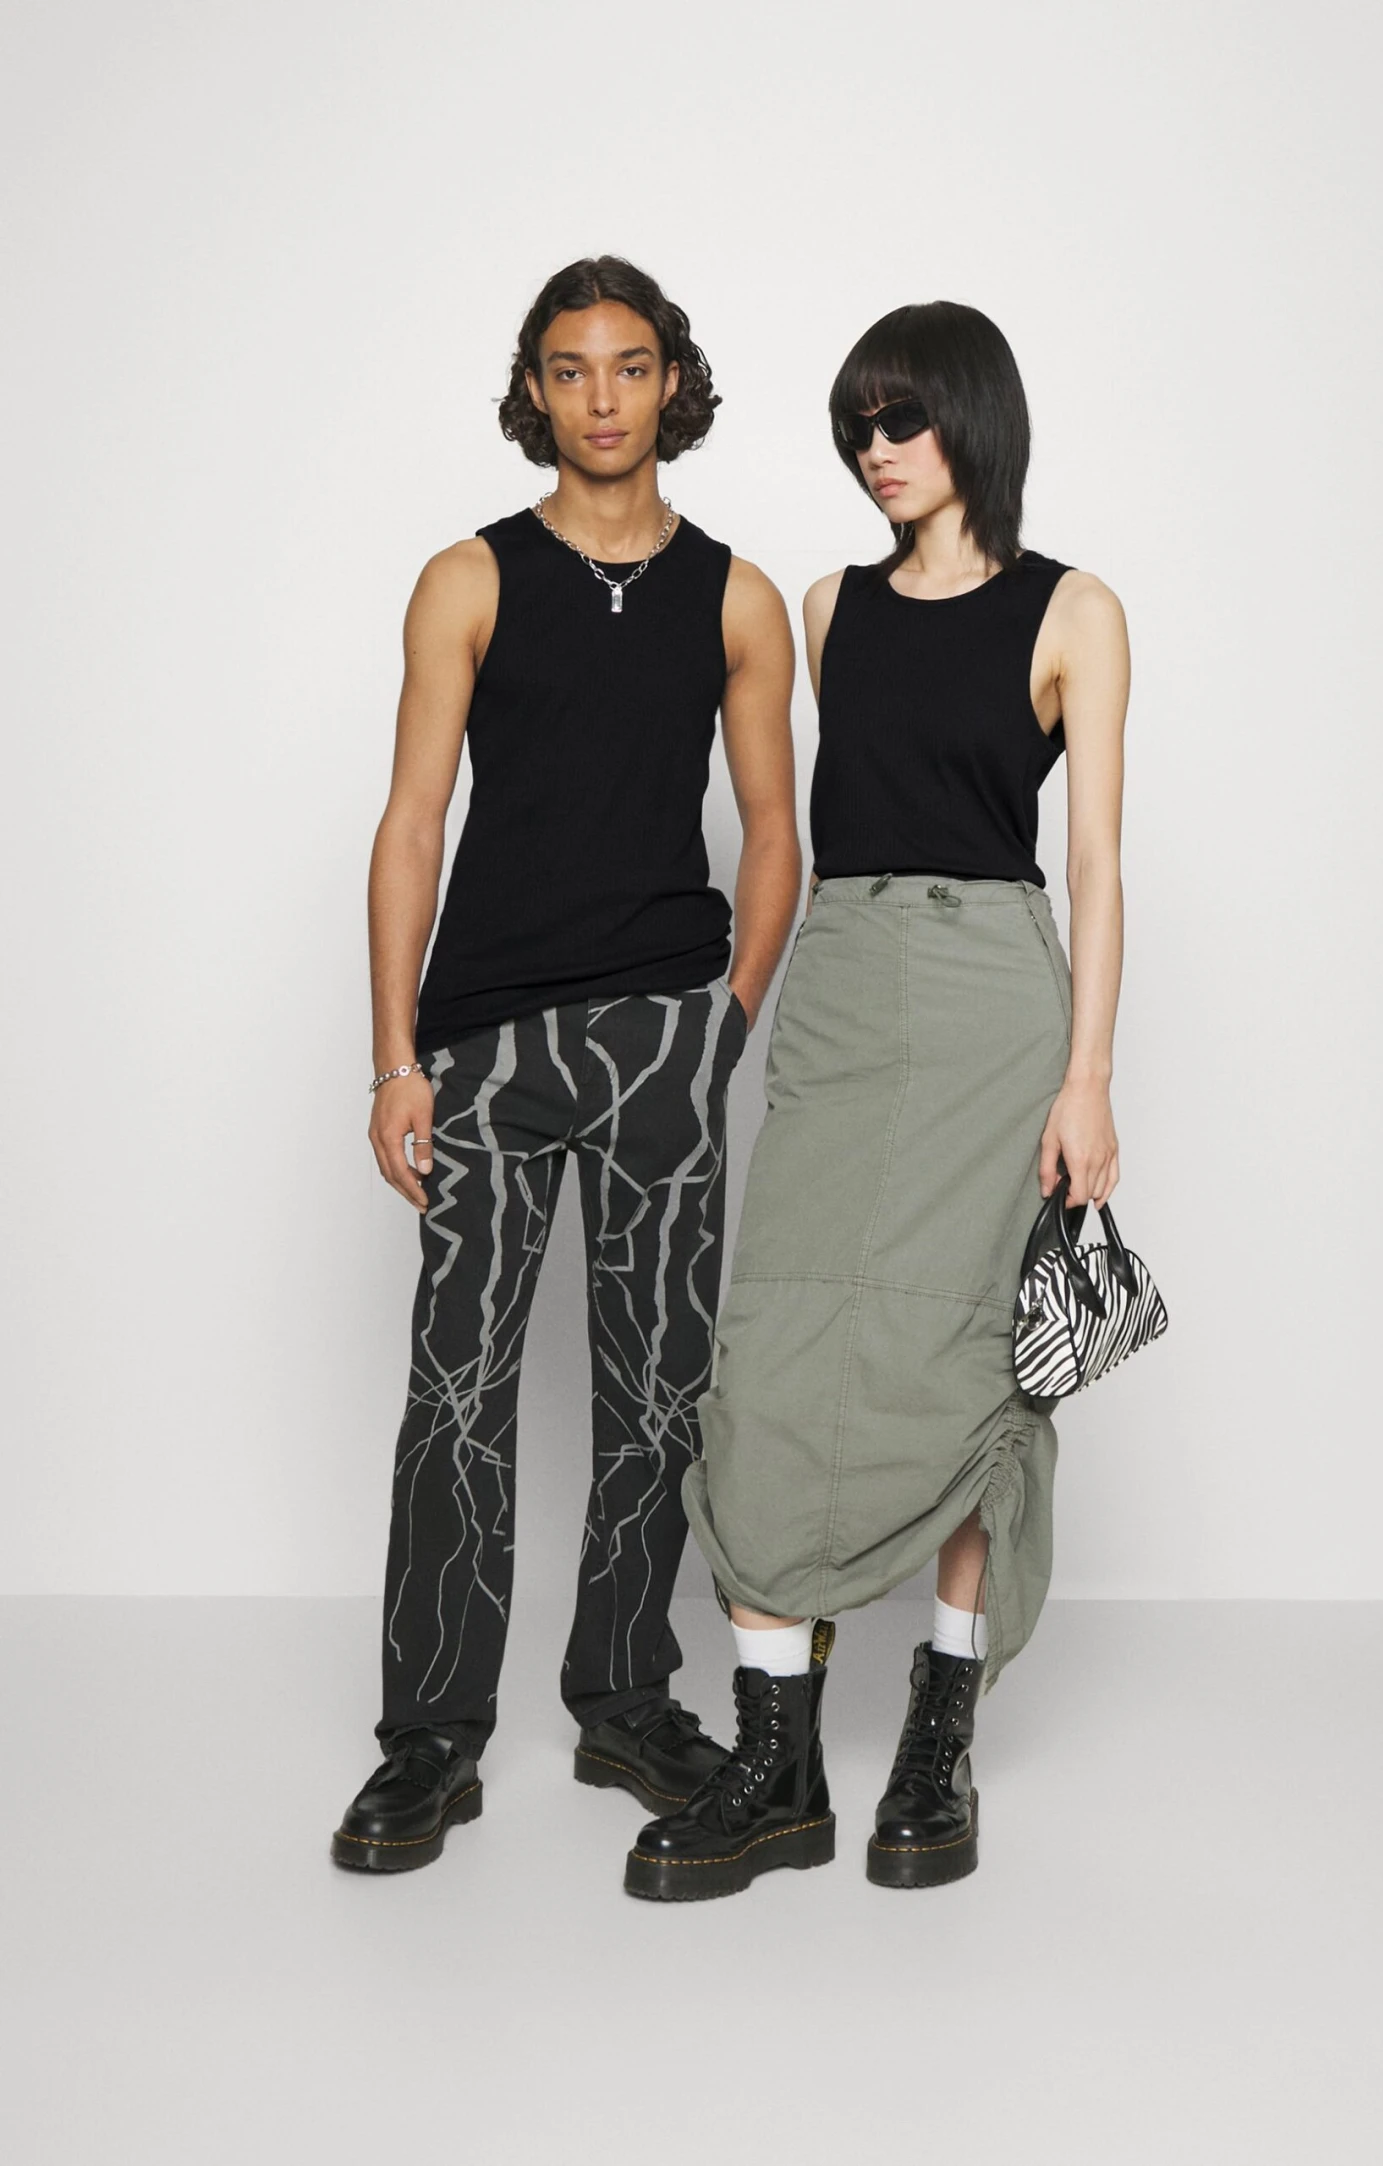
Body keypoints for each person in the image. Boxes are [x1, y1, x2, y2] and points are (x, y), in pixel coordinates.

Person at [625, 300, 1130, 1901]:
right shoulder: (829, 604)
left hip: (994, 1003)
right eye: (858, 424)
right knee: (776, 1345)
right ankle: (776, 1764)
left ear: (973, 417)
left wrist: (1089, 1076)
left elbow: (1097, 864)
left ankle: (938, 1734)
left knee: (971, 1354)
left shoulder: (1075, 610)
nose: (877, 449)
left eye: (903, 418)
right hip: (843, 986)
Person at [331, 256, 799, 1872]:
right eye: (572, 369)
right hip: (484, 1042)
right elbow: (411, 823)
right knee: (454, 1390)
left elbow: (776, 833)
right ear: (535, 388)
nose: (604, 397)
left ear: (674, 381)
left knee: (659, 1388)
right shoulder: (468, 578)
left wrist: (725, 1023)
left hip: (663, 1027)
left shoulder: (737, 597)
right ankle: (430, 1739)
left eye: (632, 366)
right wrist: (394, 1058)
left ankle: (624, 1698)